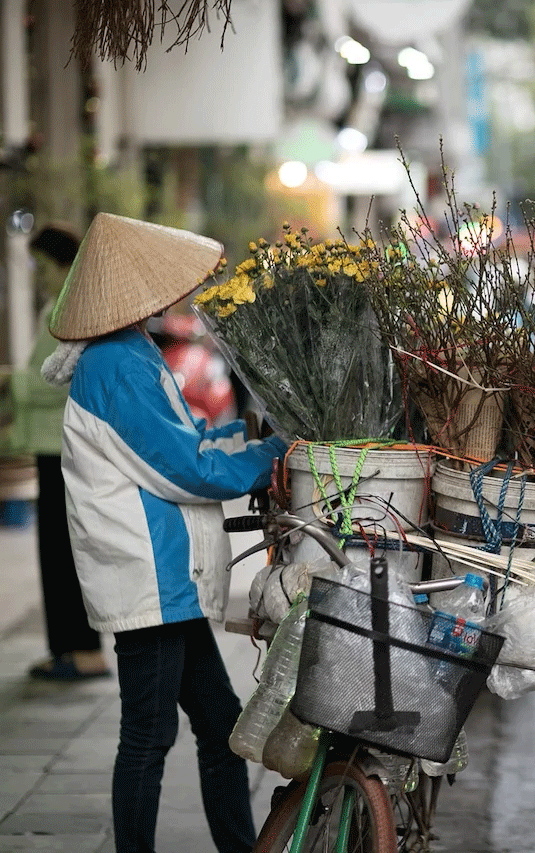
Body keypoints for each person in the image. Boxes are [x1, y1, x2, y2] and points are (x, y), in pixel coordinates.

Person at [41, 213, 287, 853]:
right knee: (150, 737)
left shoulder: (128, 353)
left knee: (218, 722)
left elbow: (190, 443)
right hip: (149, 576)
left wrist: (255, 444)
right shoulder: (116, 364)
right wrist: (269, 458)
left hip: (166, 580)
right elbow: (183, 466)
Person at [13, 224, 110, 681]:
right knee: (57, 551)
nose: (36, 275)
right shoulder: (67, 307)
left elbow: (56, 379)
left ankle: (81, 649)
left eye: (39, 265)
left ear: (57, 263)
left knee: (62, 552)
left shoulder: (70, 310)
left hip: (62, 448)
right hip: (55, 446)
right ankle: (69, 648)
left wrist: (11, 381)